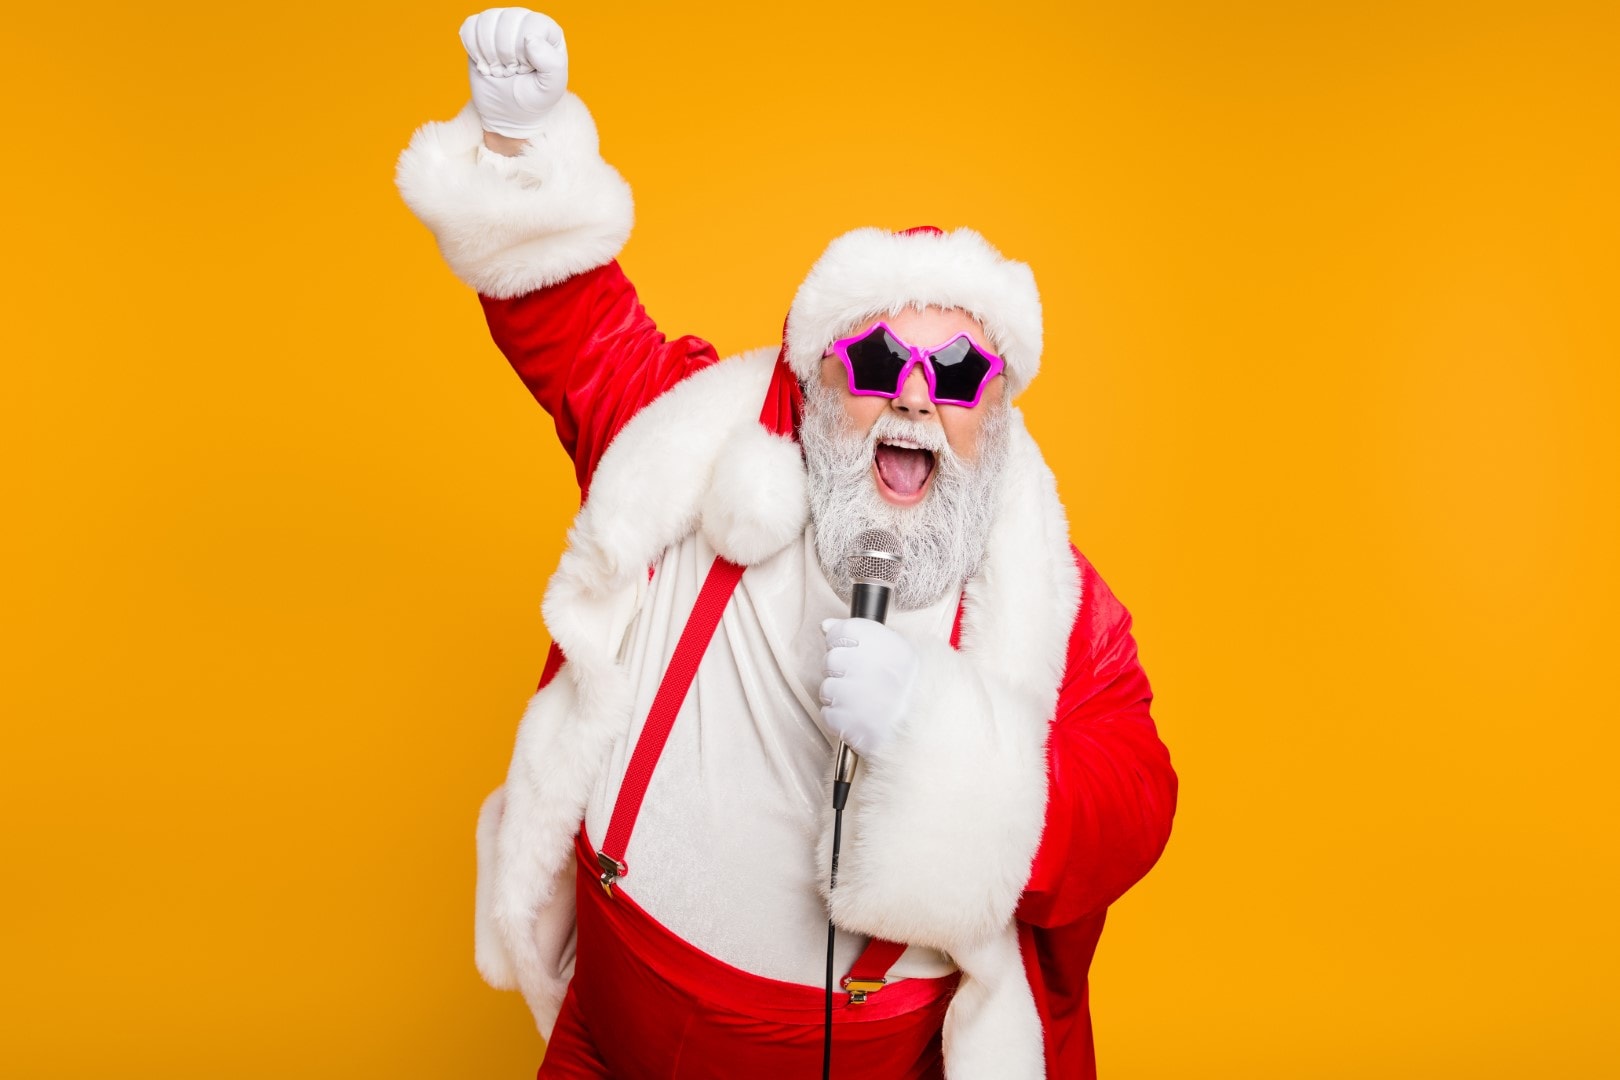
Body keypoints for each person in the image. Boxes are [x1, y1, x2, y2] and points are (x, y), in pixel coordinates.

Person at [397, 8, 1177, 1078]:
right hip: (613, 1023)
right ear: (817, 382)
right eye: (877, 363)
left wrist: (935, 731)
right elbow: (573, 327)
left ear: (995, 414)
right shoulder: (701, 449)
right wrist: (522, 150)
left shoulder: (1048, 601)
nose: (913, 398)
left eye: (956, 376)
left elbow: (1134, 797)